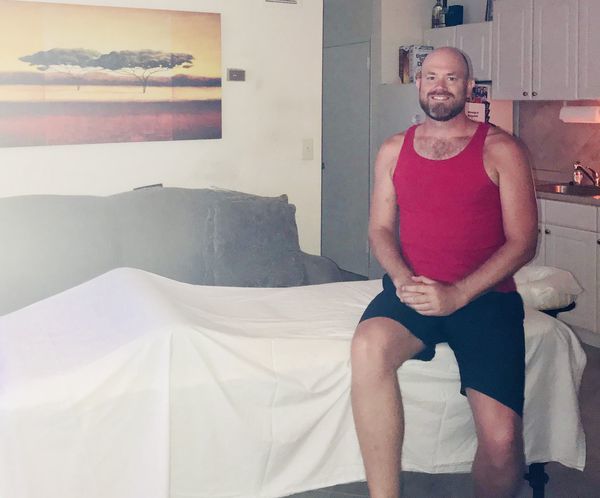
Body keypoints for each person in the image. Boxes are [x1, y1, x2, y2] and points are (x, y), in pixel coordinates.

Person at [350, 47, 538, 498]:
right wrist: (401, 278)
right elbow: (379, 229)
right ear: (418, 83)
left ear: (469, 87)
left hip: (485, 298)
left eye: (451, 78)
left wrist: (457, 295)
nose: (439, 86)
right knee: (368, 346)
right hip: (411, 288)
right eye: (431, 76)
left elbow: (523, 242)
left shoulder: (502, 149)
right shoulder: (393, 149)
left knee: (502, 444)